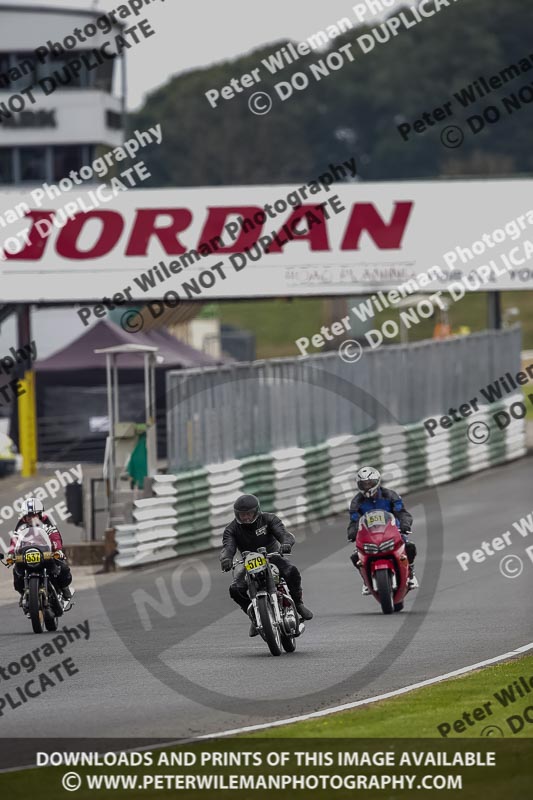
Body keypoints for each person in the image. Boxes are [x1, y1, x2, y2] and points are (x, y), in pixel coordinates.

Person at [220, 494, 313, 637]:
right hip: (249, 563)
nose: (246, 517)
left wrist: (286, 543)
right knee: (235, 589)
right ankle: (254, 616)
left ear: (256, 511)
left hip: (272, 557)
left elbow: (284, 534)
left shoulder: (269, 519)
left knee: (291, 571)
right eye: (242, 515)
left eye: (249, 514)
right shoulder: (231, 529)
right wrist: (226, 558)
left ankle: (298, 603)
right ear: (236, 514)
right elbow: (228, 547)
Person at [347, 467, 418, 595]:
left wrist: (405, 525)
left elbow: (402, 513)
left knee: (410, 546)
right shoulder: (356, 502)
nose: (367, 486)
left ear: (377, 481)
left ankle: (411, 573)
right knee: (355, 556)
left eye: (370, 483)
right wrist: (352, 532)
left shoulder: (390, 495)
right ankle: (366, 581)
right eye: (363, 484)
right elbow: (354, 520)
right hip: (369, 535)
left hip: (393, 531)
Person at [6, 497, 73, 607]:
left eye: (34, 515)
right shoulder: (21, 525)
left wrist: (58, 550)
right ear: (24, 516)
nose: (31, 518)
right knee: (17, 572)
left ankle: (63, 588)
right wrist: (11, 553)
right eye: (28, 516)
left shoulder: (46, 522)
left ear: (40, 514)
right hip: (26, 554)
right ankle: (23, 593)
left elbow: (54, 535)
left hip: (45, 553)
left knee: (63, 568)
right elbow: (15, 539)